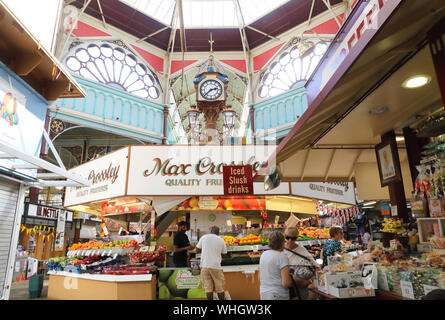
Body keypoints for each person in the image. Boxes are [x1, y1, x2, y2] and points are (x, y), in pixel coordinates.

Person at [283, 227, 320, 300]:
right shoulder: (279, 250)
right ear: (284, 236)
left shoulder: (302, 250)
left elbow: (317, 268)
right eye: (287, 238)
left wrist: (309, 281)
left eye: (293, 238)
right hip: (285, 290)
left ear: (297, 238)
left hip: (301, 291)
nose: (290, 241)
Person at [259, 230, 293, 300]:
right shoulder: (282, 256)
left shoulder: (264, 254)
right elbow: (286, 283)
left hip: (264, 293)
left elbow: (259, 278)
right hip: (277, 295)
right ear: (282, 243)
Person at [196, 226, 228, 300]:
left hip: (204, 266)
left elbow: (197, 250)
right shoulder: (221, 240)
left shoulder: (203, 237)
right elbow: (224, 253)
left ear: (210, 231)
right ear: (218, 232)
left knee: (208, 288)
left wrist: (205, 250)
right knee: (220, 288)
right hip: (216, 266)